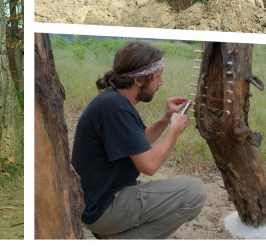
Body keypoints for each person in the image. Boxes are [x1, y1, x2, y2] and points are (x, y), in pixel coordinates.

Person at [71, 41, 207, 239]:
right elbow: (149, 165)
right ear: (138, 80)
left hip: (99, 200)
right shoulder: (115, 108)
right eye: (158, 77)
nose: (161, 83)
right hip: (102, 207)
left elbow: (138, 141)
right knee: (194, 193)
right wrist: (174, 131)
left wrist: (166, 119)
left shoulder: (114, 100)